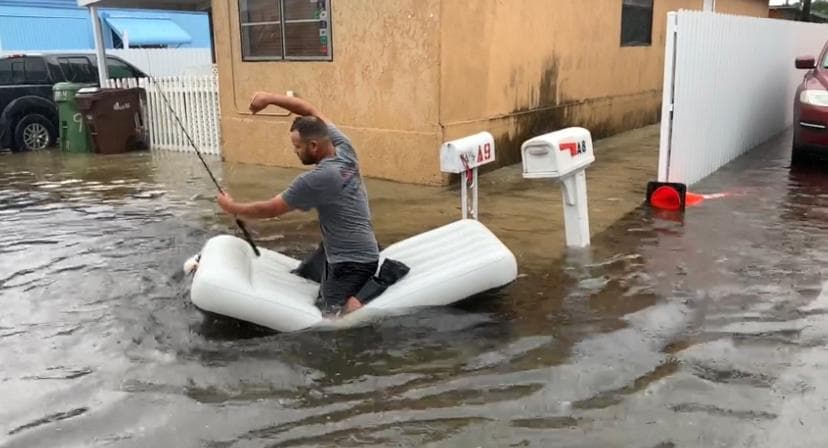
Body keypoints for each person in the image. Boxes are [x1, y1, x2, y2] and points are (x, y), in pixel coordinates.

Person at [215, 91, 379, 315]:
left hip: (352, 264)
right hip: (342, 249)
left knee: (333, 315)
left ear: (313, 146)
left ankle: (381, 280)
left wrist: (231, 207)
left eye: (298, 147)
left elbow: (271, 208)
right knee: (303, 274)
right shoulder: (344, 147)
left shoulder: (319, 179)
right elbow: (309, 110)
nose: (295, 151)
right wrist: (269, 98)